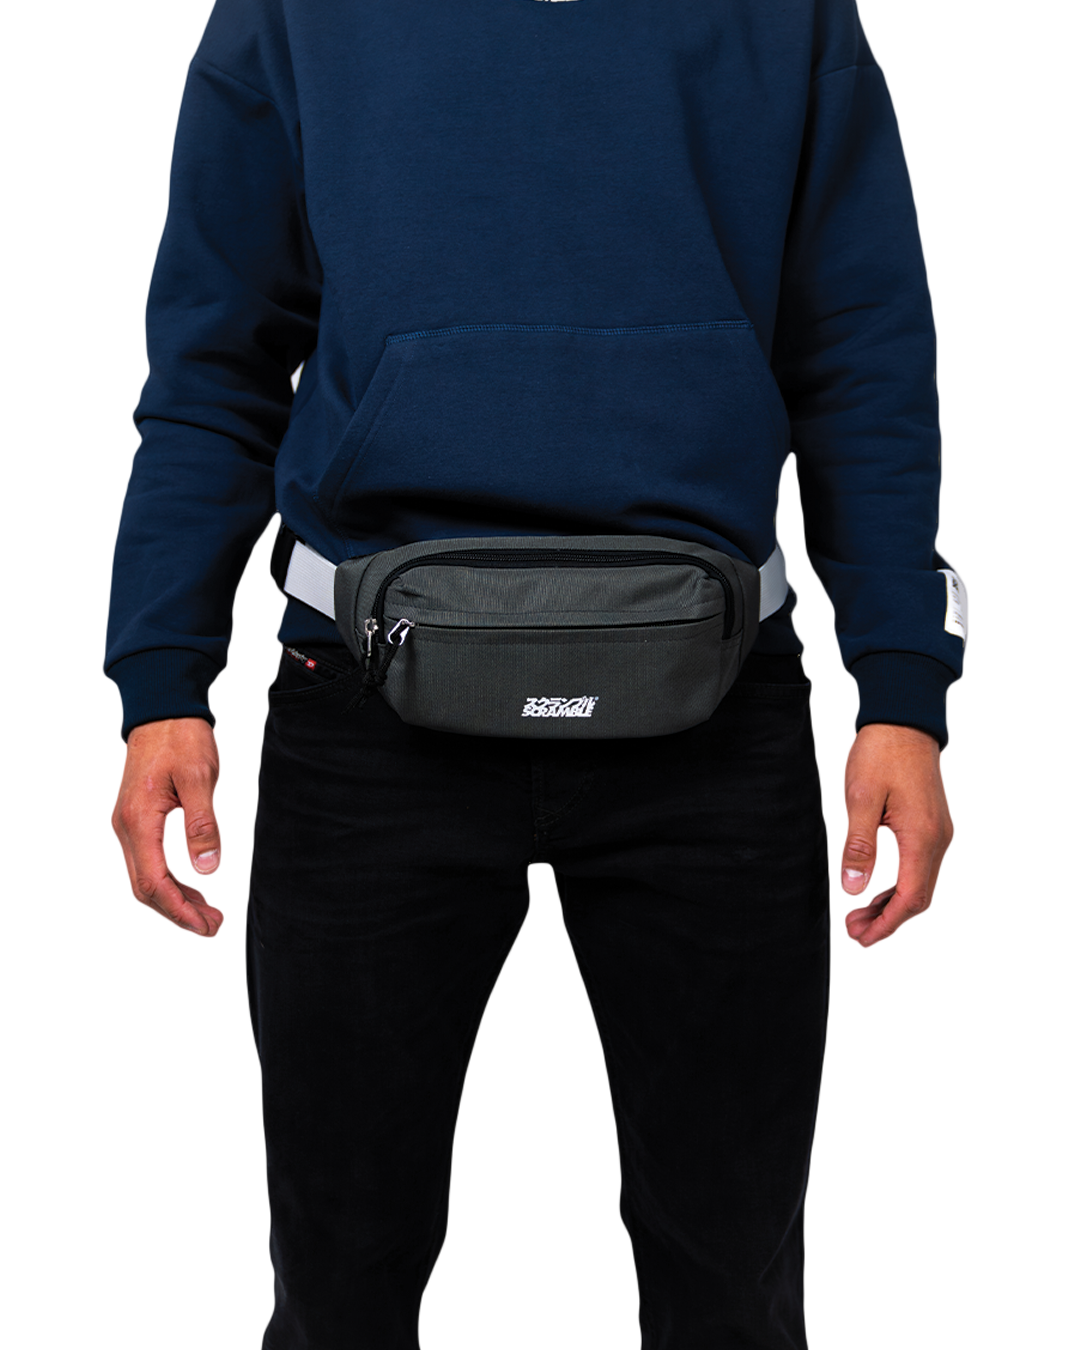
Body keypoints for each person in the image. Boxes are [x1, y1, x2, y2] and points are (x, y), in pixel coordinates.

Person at [105, 0, 963, 1345]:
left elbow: (864, 350)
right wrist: (163, 678)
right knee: (337, 1284)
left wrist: (903, 690)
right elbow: (213, 361)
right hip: (367, 703)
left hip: (713, 702)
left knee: (733, 1293)